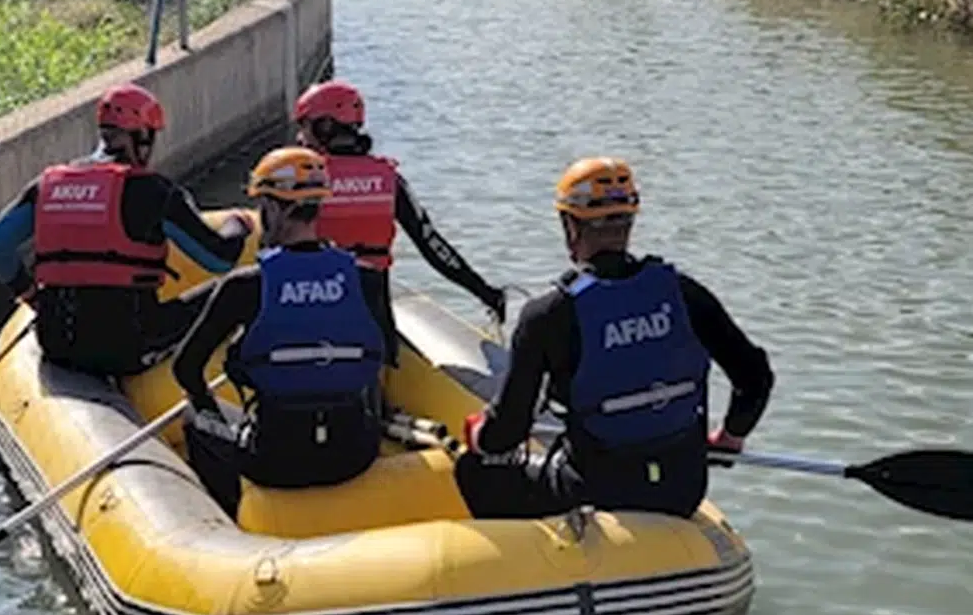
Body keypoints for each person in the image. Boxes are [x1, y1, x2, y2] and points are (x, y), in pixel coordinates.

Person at [457, 156, 773, 523]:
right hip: (681, 492)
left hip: (594, 491)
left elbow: (507, 433)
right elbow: (755, 379)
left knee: (474, 471)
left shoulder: (547, 314)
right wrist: (730, 437)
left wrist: (480, 435)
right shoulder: (685, 294)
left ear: (569, 226)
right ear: (629, 222)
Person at [0, 84, 253, 379]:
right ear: (143, 137)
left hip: (56, 343)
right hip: (127, 348)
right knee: (242, 291)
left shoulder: (46, 186)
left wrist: (31, 294)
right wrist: (237, 225)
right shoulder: (153, 191)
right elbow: (219, 260)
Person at [174, 147, 386, 515]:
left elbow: (186, 369)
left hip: (273, 461)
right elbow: (384, 355)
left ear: (273, 209)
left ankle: (228, 515)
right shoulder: (367, 278)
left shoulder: (245, 286)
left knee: (195, 418)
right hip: (355, 455)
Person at [293, 78, 506, 357]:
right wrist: (486, 293)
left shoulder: (301, 180)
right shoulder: (389, 181)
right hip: (374, 323)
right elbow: (434, 248)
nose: (301, 137)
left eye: (305, 126)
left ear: (325, 126)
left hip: (309, 317)